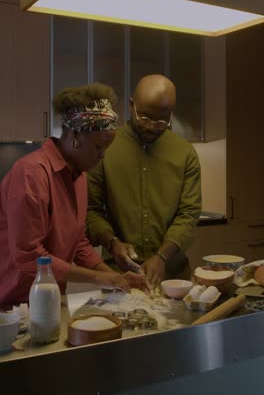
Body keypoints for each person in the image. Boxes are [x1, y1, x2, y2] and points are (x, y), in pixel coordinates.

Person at [0, 83, 148, 305]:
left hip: (48, 299)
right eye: (99, 147)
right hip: (12, 303)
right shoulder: (31, 174)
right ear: (76, 136)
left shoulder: (79, 175)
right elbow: (29, 257)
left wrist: (117, 279)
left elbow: (78, 242)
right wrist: (102, 278)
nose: (102, 156)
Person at [86, 74, 202, 289]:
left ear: (170, 115)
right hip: (119, 275)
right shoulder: (105, 148)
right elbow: (90, 210)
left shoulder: (185, 153)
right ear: (131, 105)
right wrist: (112, 243)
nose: (151, 127)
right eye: (145, 118)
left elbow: (188, 214)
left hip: (173, 276)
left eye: (161, 122)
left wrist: (162, 256)